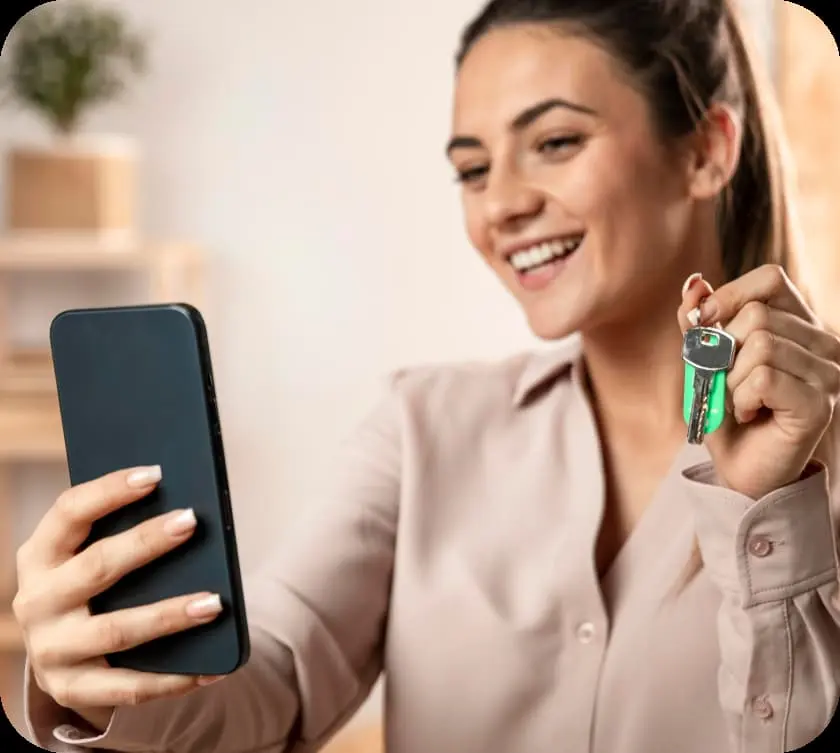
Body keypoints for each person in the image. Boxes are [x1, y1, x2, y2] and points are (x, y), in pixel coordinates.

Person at [14, 1, 840, 752]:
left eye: (555, 142)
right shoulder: (423, 426)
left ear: (706, 149)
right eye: (473, 169)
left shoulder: (820, 458)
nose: (501, 205)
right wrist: (106, 674)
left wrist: (769, 512)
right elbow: (275, 675)